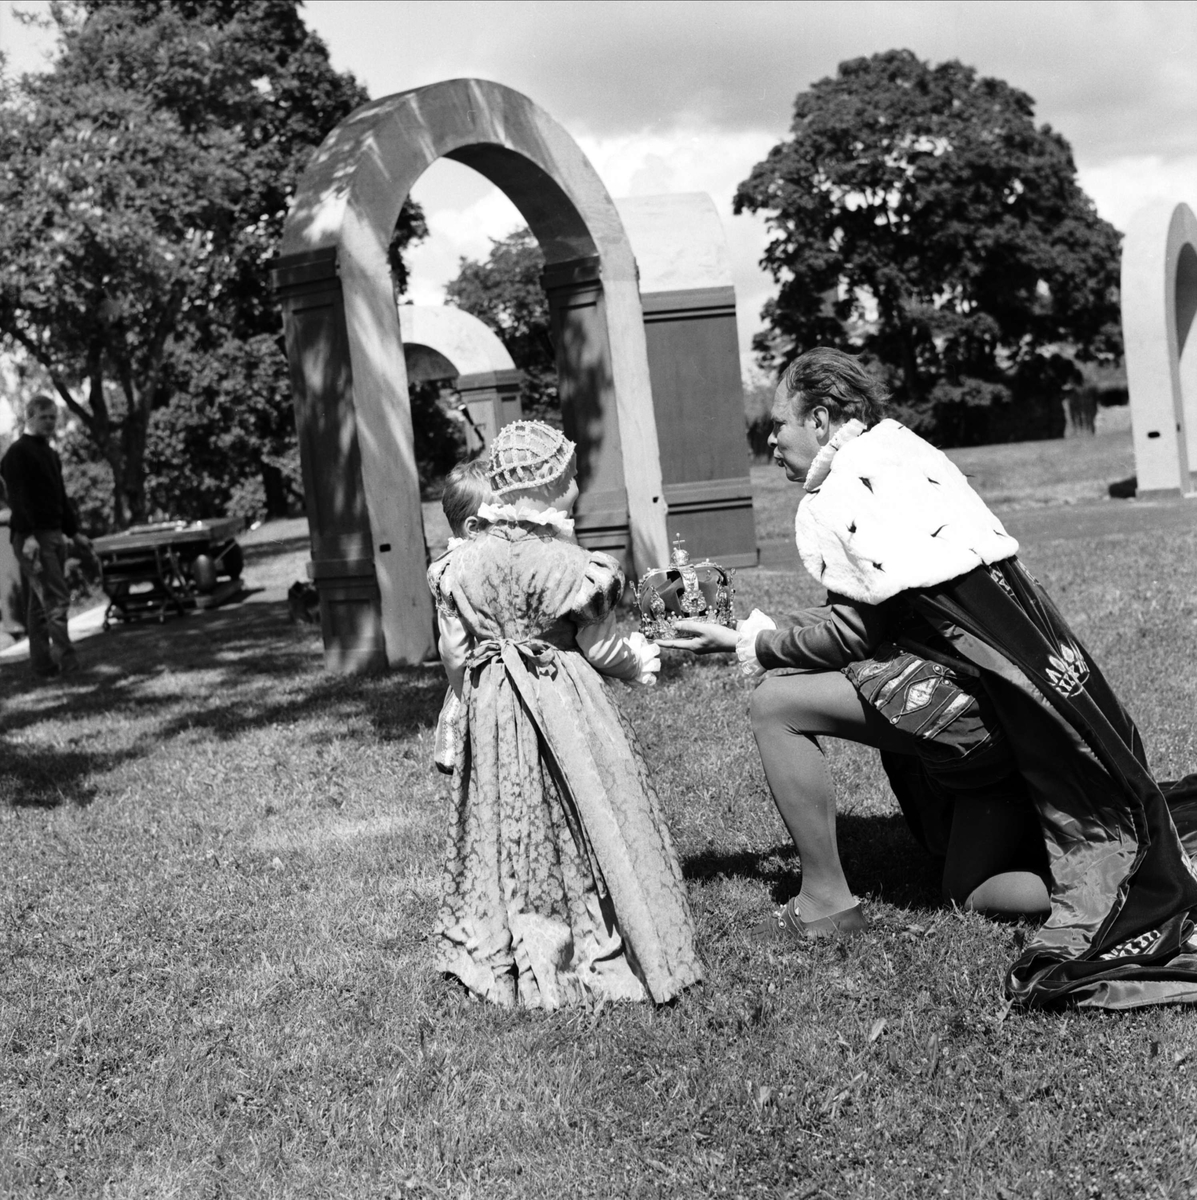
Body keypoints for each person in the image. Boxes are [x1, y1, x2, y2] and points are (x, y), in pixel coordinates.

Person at [661, 347, 1197, 1010]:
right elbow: (878, 610)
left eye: (778, 423)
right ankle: (1109, 878)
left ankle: (824, 902)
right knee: (967, 890)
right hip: (1019, 714)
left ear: (822, 420)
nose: (768, 437)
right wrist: (755, 630)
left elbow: (851, 636)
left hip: (972, 717)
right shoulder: (903, 454)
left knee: (775, 703)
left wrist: (750, 644)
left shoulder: (837, 494)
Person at [429, 420, 703, 1008]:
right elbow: (601, 647)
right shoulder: (569, 564)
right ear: (550, 484)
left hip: (493, 704)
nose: (578, 487)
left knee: (506, 814)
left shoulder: (460, 565)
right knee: (580, 808)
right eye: (572, 477)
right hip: (560, 701)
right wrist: (638, 662)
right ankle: (591, 932)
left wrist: (471, 690)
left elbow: (453, 651)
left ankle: (502, 938)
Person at [0, 395, 91, 678]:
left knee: (41, 606)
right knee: (56, 600)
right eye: (44, 417)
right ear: (29, 417)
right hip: (32, 540)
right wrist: (27, 536)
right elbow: (19, 499)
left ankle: (43, 666)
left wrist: (74, 533)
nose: (50, 422)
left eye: (54, 417)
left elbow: (59, 498)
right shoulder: (17, 454)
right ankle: (70, 665)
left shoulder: (50, 454)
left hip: (53, 535)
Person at [428, 457, 493, 774]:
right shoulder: (453, 573)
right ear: (474, 527)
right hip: (476, 683)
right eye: (504, 521)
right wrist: (464, 694)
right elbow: (453, 649)